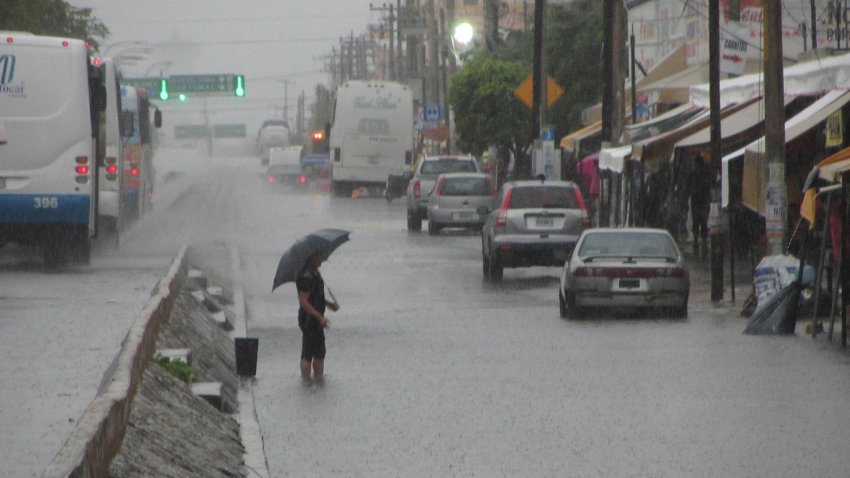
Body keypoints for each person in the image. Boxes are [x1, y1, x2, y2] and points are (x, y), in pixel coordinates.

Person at [296, 250, 339, 382]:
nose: (321, 258)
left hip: (317, 318)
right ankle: (306, 382)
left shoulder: (315, 274)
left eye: (321, 255)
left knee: (320, 352)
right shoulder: (305, 277)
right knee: (308, 352)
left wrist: (330, 304)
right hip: (309, 319)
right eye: (317, 256)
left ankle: (318, 381)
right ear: (310, 258)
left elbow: (316, 297)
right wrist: (320, 318)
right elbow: (303, 301)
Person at [688, 155, 712, 258]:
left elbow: (689, 186)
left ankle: (697, 240)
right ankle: (703, 240)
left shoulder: (693, 173)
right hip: (703, 200)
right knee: (703, 221)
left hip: (696, 200)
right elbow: (710, 184)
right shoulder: (706, 172)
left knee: (697, 221)